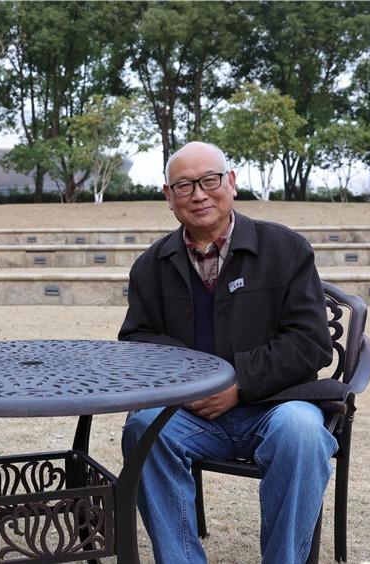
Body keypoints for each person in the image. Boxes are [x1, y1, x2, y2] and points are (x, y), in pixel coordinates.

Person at [120, 141, 337, 563]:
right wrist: (191, 384)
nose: (199, 195)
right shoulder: (150, 265)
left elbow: (310, 342)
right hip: (190, 413)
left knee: (302, 432)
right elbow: (136, 340)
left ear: (231, 182)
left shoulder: (286, 249)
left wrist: (238, 384)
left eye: (210, 180)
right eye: (184, 186)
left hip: (275, 405)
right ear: (168, 197)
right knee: (143, 428)